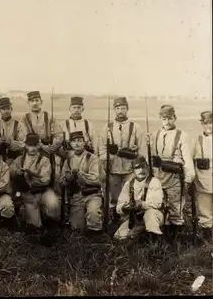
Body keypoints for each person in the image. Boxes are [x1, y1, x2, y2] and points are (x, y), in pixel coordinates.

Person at [150, 105, 194, 241]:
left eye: (170, 118)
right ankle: (160, 236)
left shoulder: (182, 136)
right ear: (160, 119)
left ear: (175, 118)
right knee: (159, 205)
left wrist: (187, 180)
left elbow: (187, 160)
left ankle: (175, 241)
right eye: (164, 118)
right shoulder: (155, 134)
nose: (167, 122)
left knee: (176, 208)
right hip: (158, 177)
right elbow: (151, 157)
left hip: (175, 178)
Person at [98, 96, 144, 224]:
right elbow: (101, 148)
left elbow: (142, 150)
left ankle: (130, 220)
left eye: (123, 108)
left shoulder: (135, 127)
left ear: (127, 109)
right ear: (114, 110)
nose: (120, 111)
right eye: (118, 108)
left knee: (131, 195)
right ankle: (115, 219)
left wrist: (137, 165)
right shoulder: (107, 128)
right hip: (113, 169)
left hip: (130, 169)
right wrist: (106, 160)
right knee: (114, 197)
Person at [58, 131, 104, 237]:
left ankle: (96, 237)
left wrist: (80, 175)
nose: (77, 143)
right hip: (76, 196)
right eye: (74, 141)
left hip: (92, 194)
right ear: (70, 144)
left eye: (79, 141)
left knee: (93, 213)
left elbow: (95, 178)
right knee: (77, 228)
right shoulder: (68, 161)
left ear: (84, 142)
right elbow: (61, 181)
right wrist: (67, 178)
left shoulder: (92, 158)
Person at [113, 156, 164, 242]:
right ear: (133, 170)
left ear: (148, 168)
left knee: (150, 214)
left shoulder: (154, 181)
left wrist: (141, 204)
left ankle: (155, 242)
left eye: (143, 167)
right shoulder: (129, 184)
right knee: (118, 237)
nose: (141, 170)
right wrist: (125, 207)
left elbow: (156, 203)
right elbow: (119, 206)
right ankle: (140, 236)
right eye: (137, 168)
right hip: (136, 218)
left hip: (154, 215)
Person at [9, 133, 54, 231]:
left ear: (39, 145)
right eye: (30, 145)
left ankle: (50, 221)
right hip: (27, 194)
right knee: (35, 226)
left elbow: (45, 179)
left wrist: (31, 176)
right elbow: (10, 171)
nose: (32, 148)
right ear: (25, 145)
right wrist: (17, 172)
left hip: (42, 192)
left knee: (53, 205)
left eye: (35, 145)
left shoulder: (44, 160)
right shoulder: (19, 159)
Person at [191, 111, 212, 241]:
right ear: (202, 124)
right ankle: (207, 232)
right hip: (203, 180)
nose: (208, 126)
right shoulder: (196, 140)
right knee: (204, 207)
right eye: (205, 123)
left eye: (211, 123)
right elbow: (190, 160)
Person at [0, 97, 26, 165]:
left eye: (8, 108)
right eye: (3, 109)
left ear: (11, 109)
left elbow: (23, 143)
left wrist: (10, 143)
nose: (6, 111)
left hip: (15, 158)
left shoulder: (19, 125)